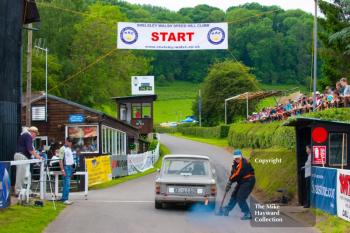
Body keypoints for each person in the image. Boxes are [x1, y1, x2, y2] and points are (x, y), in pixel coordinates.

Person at [222, 149, 256, 220]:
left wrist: (230, 181)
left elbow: (237, 174)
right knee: (234, 195)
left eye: (238, 157)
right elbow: (233, 172)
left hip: (248, 181)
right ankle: (227, 209)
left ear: (241, 156)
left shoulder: (244, 163)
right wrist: (230, 181)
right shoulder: (234, 163)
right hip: (242, 181)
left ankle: (247, 213)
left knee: (240, 197)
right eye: (236, 158)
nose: (237, 159)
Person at [14, 126, 42, 194]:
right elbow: (30, 149)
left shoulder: (25, 135)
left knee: (27, 175)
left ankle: (26, 191)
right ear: (32, 132)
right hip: (22, 156)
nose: (35, 136)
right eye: (35, 134)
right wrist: (38, 156)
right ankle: (18, 191)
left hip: (23, 156)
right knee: (21, 174)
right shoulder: (28, 136)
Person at [59, 137, 75, 205]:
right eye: (70, 142)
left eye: (71, 142)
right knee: (67, 183)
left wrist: (73, 168)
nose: (71, 143)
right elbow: (60, 160)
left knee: (67, 183)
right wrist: (62, 169)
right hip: (66, 167)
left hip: (70, 167)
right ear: (66, 141)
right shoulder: (63, 148)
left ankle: (64, 198)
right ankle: (65, 199)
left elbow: (70, 159)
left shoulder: (69, 148)